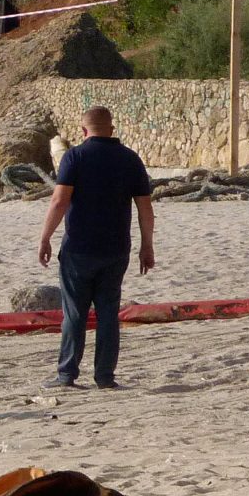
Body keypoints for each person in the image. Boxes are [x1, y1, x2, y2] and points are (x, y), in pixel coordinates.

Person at [37, 106, 155, 390]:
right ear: (111, 129)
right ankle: (105, 376)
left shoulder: (74, 157)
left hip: (79, 247)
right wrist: (146, 246)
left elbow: (59, 201)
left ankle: (67, 374)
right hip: (116, 249)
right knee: (108, 314)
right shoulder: (130, 159)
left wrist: (45, 237)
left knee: (75, 314)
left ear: (82, 130)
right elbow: (145, 208)